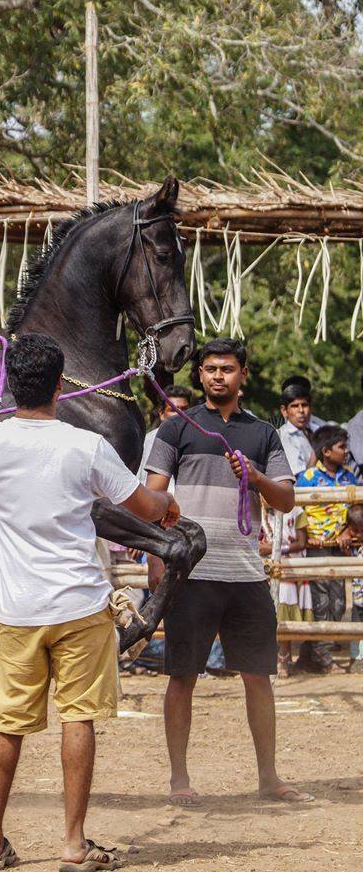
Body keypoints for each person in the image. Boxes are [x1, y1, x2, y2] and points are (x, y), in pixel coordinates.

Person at [0, 332, 179, 872]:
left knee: (8, 724)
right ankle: (72, 844)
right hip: (81, 606)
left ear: (10, 385)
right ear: (61, 387)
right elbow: (142, 505)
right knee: (79, 719)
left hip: (17, 610)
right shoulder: (84, 445)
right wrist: (168, 503)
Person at [145, 337, 312, 806]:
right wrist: (158, 557)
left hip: (245, 575)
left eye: (228, 369)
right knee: (183, 676)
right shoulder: (176, 429)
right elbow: (152, 497)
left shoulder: (263, 433)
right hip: (191, 574)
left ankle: (269, 777)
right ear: (199, 375)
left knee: (258, 676)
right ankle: (179, 780)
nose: (219, 376)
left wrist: (254, 478)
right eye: (211, 369)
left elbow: (285, 499)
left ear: (243, 375)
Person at [295, 425, 356, 674]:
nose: (346, 451)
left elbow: (356, 510)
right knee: (321, 604)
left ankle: (310, 656)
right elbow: (296, 511)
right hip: (316, 548)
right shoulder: (307, 478)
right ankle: (325, 660)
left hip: (340, 548)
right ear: (326, 451)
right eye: (341, 447)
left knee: (339, 603)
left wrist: (348, 531)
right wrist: (306, 536)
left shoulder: (349, 478)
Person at [259, 504, 312, 678]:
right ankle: (267, 659)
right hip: (264, 567)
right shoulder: (261, 513)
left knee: (283, 615)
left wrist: (275, 549)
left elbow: (301, 543)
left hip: (289, 568)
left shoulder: (297, 512)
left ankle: (283, 659)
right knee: (266, 616)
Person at [339, 504, 363, 672]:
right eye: (355, 531)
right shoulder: (352, 544)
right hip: (358, 596)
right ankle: (356, 659)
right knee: (356, 627)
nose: (359, 535)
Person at [278, 385, 316, 476]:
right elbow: (301, 479)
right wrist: (318, 451)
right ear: (284, 411)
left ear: (311, 408)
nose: (301, 410)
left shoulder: (317, 430)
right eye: (295, 406)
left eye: (304, 405)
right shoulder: (284, 436)